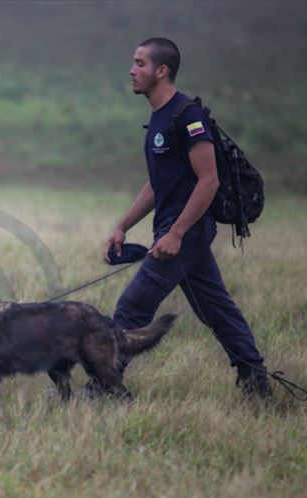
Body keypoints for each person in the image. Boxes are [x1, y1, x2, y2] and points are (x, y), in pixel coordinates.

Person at [104, 37, 272, 400]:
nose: (132, 71)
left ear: (162, 71)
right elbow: (156, 184)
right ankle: (257, 387)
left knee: (133, 306)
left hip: (187, 230)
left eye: (140, 64)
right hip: (175, 230)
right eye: (133, 63)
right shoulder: (159, 118)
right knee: (217, 308)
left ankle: (104, 386)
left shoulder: (187, 115)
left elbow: (208, 180)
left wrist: (177, 232)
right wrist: (122, 226)